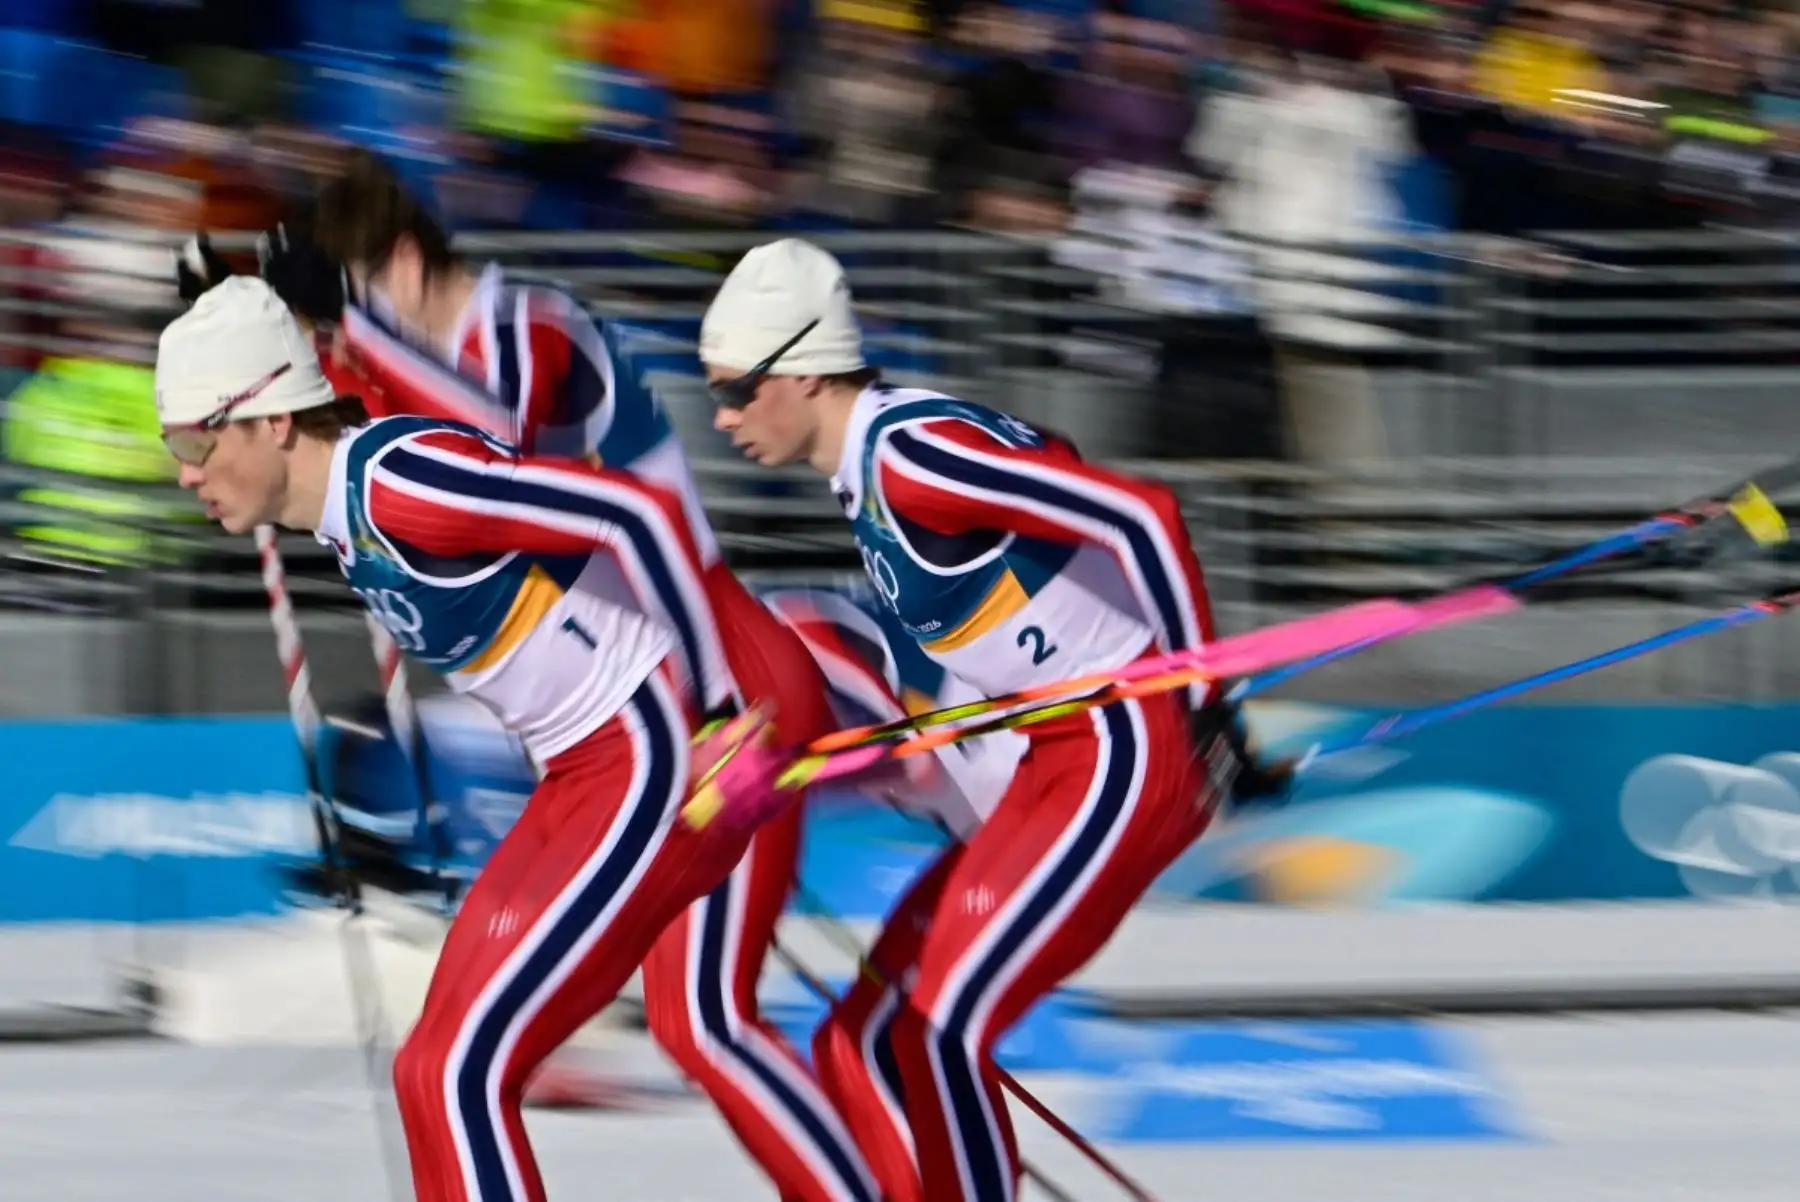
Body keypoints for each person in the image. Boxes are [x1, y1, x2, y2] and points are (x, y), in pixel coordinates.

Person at [290, 154, 879, 1202]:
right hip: (637, 698)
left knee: (705, 1016)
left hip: (722, 675)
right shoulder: (409, 356)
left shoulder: (530, 325)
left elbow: (489, 449)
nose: (353, 337)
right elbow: (345, 429)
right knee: (692, 1020)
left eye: (360, 303)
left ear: (408, 264)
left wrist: (352, 332)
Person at [701, 238, 1285, 1202]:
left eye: (736, 390)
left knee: (931, 1030)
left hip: (1119, 751)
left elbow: (1141, 516)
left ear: (801, 372)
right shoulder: (879, 466)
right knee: (867, 1034)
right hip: (1053, 759)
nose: (722, 418)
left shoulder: (909, 454)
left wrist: (1203, 705)